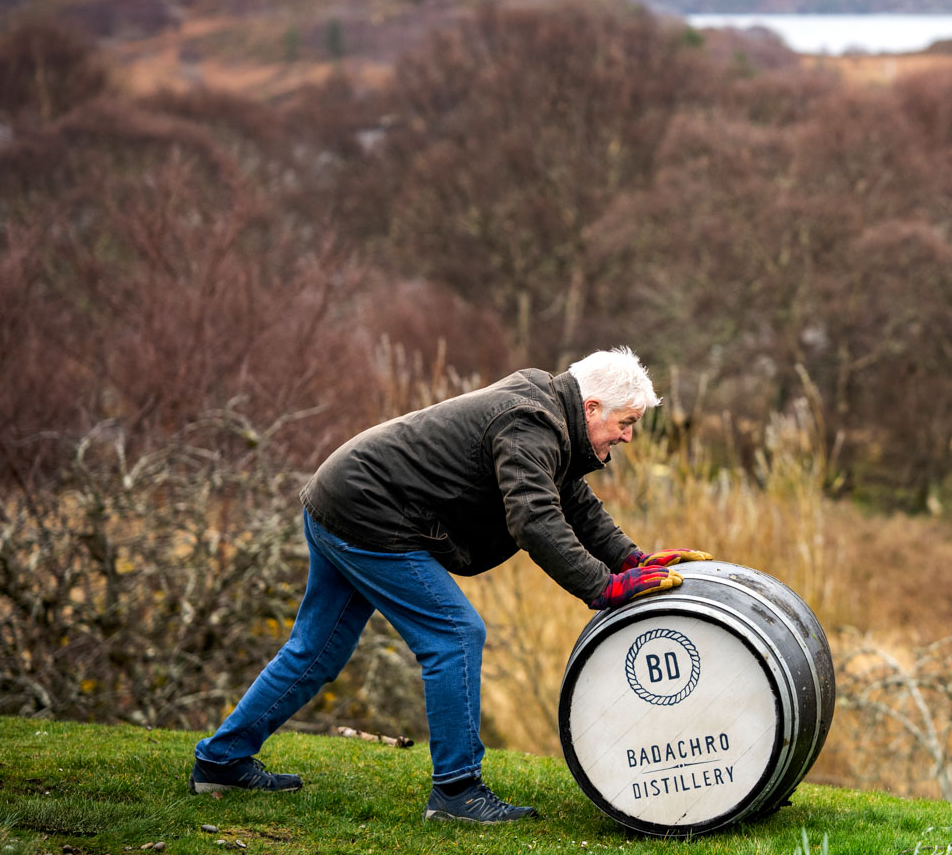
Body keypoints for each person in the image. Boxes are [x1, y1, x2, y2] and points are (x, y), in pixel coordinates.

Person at [189, 347, 709, 822]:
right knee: (456, 634)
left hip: (340, 497)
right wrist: (603, 587)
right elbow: (535, 520)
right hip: (368, 511)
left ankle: (222, 761)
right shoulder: (531, 422)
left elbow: (571, 500)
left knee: (316, 650)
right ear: (591, 408)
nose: (628, 436)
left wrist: (631, 560)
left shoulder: (549, 414)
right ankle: (457, 792)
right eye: (626, 423)